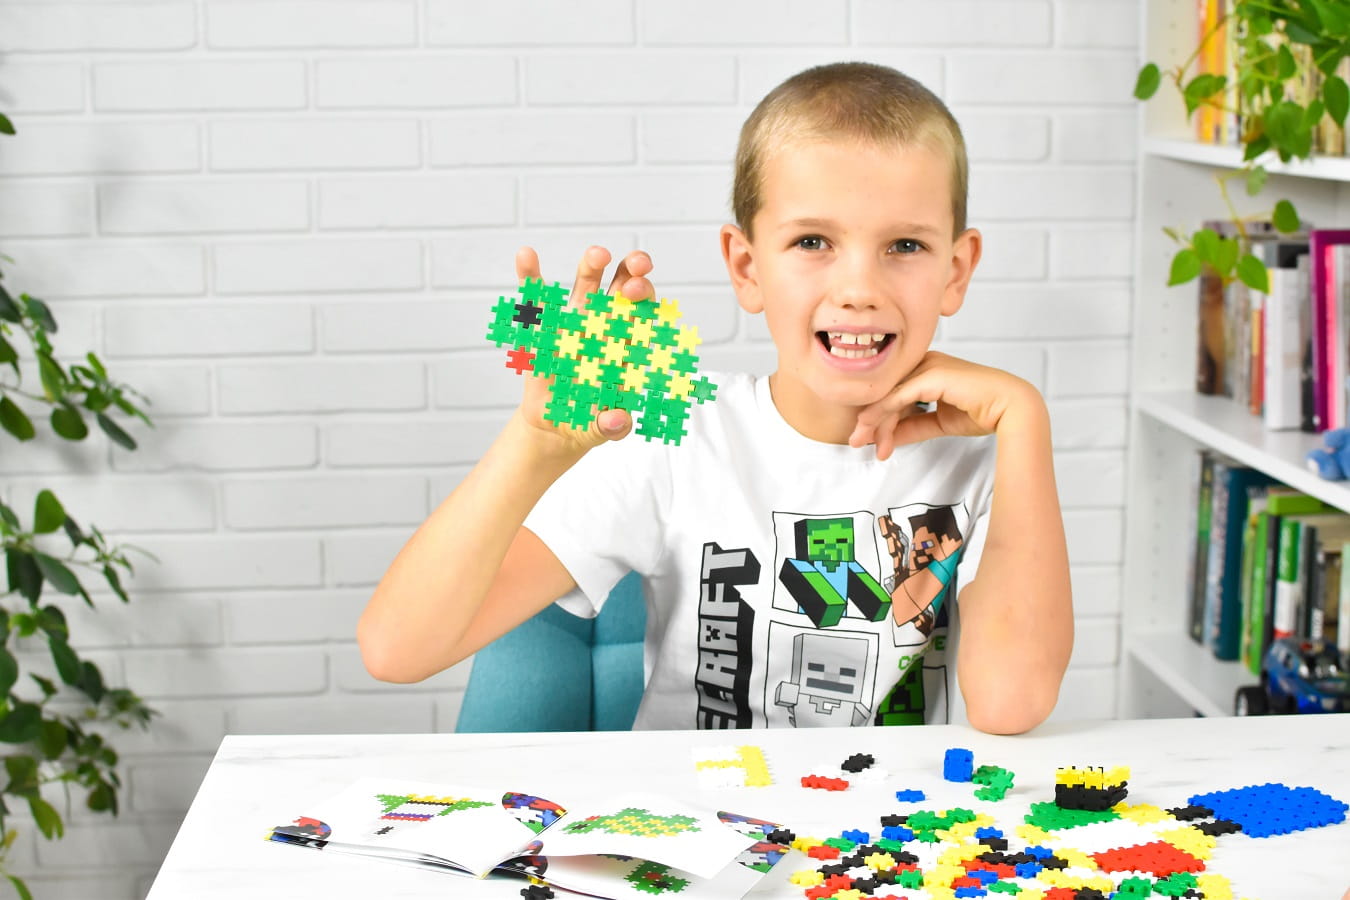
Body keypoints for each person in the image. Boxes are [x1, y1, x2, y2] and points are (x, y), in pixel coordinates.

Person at [358, 61, 1073, 734]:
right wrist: (536, 444)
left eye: (905, 246)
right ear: (746, 267)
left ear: (956, 270)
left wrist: (1024, 418)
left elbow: (1010, 705)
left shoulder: (984, 458)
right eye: (813, 241)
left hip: (892, 821)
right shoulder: (678, 437)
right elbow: (397, 650)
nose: (859, 288)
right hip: (695, 813)